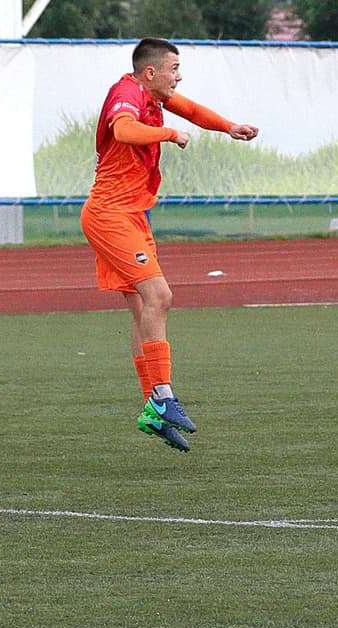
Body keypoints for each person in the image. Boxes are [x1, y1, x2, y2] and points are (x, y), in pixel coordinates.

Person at [81, 38, 258, 452]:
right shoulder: (127, 93)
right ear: (150, 72)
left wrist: (228, 126)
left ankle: (152, 408)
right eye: (174, 68)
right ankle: (163, 397)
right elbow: (123, 130)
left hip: (129, 214)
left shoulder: (149, 94)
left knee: (144, 307)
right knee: (160, 295)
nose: (179, 76)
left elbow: (191, 110)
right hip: (110, 215)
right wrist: (169, 133)